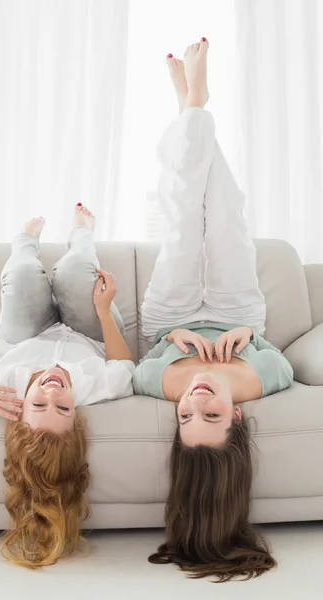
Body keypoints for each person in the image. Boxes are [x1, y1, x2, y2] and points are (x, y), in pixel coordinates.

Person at [134, 39, 294, 581]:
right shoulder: (257, 382)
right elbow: (279, 362)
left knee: (181, 216)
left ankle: (193, 107)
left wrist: (175, 337)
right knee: (225, 207)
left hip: (170, 316)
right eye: (213, 415)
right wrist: (247, 333)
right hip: (236, 308)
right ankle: (192, 110)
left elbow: (143, 371)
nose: (198, 401)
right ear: (238, 418)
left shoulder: (174, 387)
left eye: (186, 418)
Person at [0, 204, 134, 569]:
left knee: (21, 273)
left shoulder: (5, 386)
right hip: (90, 334)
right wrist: (103, 309)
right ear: (76, 414)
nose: (53, 392)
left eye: (40, 406)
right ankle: (82, 230)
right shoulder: (94, 388)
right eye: (64, 407)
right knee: (74, 269)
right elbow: (123, 365)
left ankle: (26, 240)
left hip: (25, 337)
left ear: (20, 411)